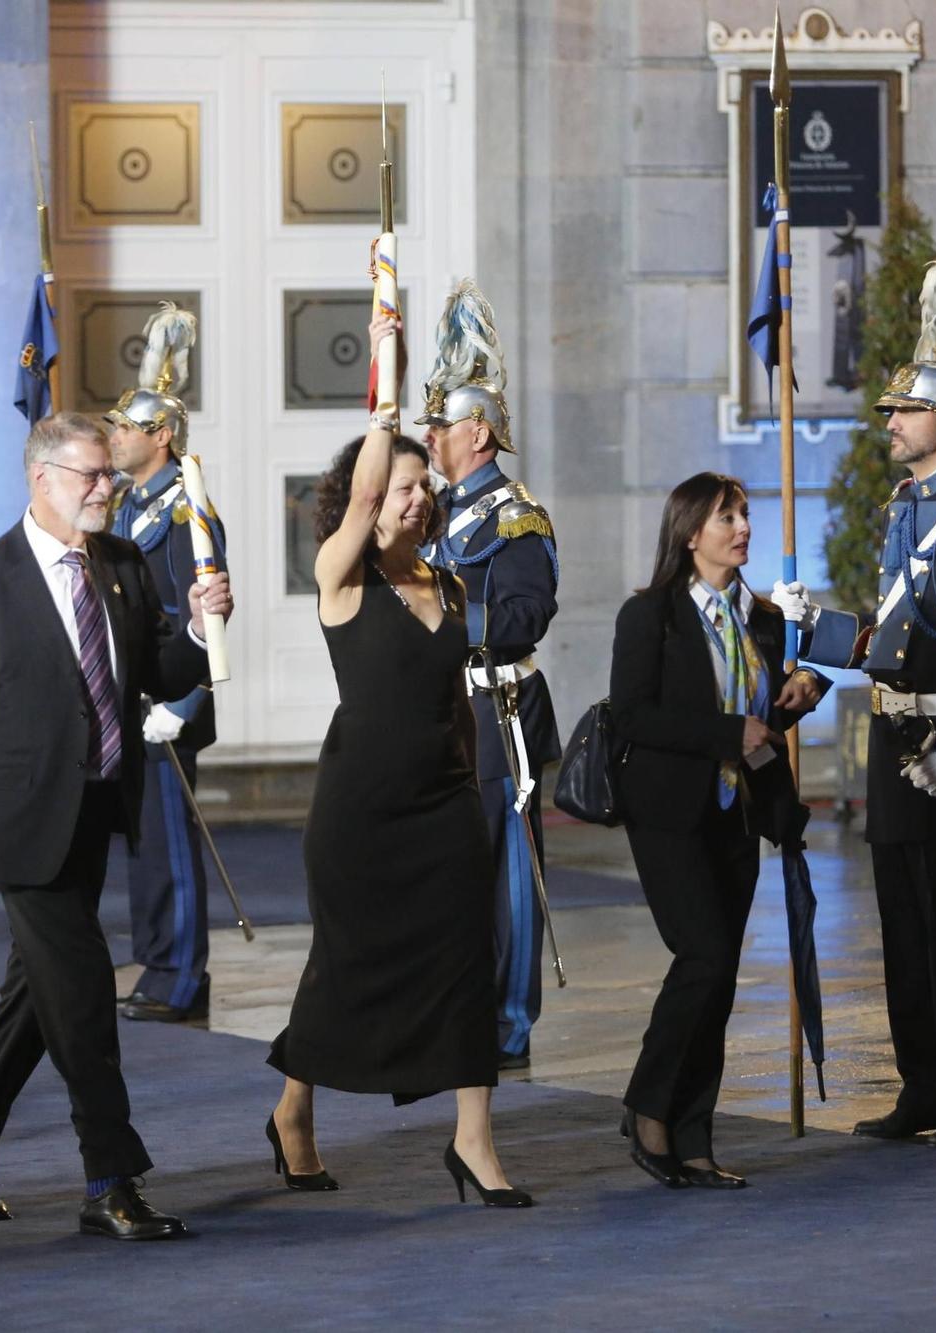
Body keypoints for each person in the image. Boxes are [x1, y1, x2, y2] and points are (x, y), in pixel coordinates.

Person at [0, 411, 235, 1238]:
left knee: (39, 996)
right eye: (90, 476)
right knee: (88, 994)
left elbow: (157, 670)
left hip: (97, 809)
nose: (107, 488)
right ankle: (110, 1179)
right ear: (42, 478)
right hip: (17, 826)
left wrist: (202, 627)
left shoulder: (124, 564)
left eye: (110, 475)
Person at [266, 313, 533, 1208]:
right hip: (361, 814)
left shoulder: (451, 584)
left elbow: (458, 700)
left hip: (443, 806)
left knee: (467, 965)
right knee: (343, 967)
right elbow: (370, 483)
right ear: (365, 498)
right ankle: (294, 1112)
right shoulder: (341, 575)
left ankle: (474, 1142)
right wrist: (388, 378)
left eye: (425, 486)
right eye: (401, 487)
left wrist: (471, 780)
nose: (416, 498)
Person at [774, 253, 936, 1152]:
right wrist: (809, 639)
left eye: (907, 408)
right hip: (894, 745)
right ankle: (925, 1083)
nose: (891, 420)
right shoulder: (901, 507)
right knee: (905, 930)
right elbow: (892, 637)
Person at [609, 473, 830, 1189]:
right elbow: (634, 716)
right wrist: (729, 731)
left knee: (720, 976)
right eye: (725, 516)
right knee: (702, 955)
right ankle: (647, 1106)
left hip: (740, 814)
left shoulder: (760, 618)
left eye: (743, 514)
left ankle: (693, 1134)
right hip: (670, 813)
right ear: (689, 532)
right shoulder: (651, 616)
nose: (741, 526)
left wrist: (798, 697)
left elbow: (763, 716)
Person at [414, 279, 561, 1072]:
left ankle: (509, 1019)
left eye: (441, 423)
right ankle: (461, 1003)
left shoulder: (515, 515)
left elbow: (527, 615)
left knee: (508, 866)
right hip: (449, 708)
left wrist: (443, 617)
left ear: (479, 430)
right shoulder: (436, 512)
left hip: (500, 707)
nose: (431, 436)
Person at [105, 303, 226, 1024]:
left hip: (168, 704)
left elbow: (201, 612)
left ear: (163, 435)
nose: (114, 438)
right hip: (132, 697)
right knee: (145, 845)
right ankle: (155, 959)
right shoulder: (128, 505)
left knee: (172, 843)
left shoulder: (187, 510)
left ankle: (182, 972)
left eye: (126, 428)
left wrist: (181, 704)